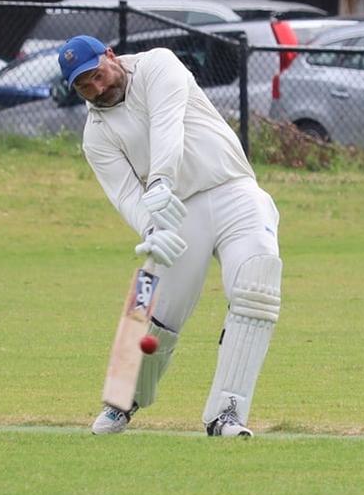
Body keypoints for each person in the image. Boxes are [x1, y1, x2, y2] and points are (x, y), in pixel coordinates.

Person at [58, 35, 282, 437]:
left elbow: (167, 121)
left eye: (96, 75)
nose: (96, 89)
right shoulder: (96, 135)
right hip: (176, 212)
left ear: (110, 55)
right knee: (149, 310)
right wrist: (149, 228)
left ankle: (227, 414)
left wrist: (160, 180)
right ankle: (120, 400)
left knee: (256, 289)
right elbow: (125, 193)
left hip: (234, 189)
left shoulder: (158, 64)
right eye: (83, 86)